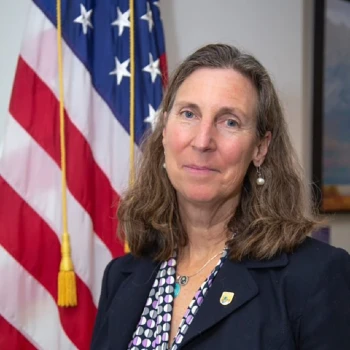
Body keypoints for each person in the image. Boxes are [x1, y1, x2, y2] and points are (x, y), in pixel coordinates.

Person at [90, 44, 350, 350]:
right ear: (164, 132)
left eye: (230, 122)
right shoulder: (121, 277)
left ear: (259, 148)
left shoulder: (317, 276)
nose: (202, 142)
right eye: (189, 114)